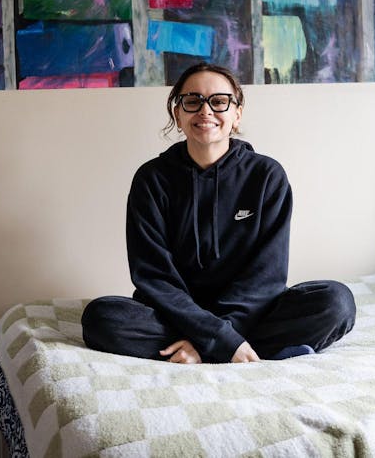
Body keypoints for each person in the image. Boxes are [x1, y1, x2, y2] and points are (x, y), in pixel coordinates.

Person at [81, 62, 356, 364]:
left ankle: (198, 351)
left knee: (336, 302)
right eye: (192, 100)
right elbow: (153, 276)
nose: (205, 110)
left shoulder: (266, 176)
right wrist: (215, 334)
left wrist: (219, 335)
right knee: (102, 317)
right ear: (177, 113)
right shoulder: (151, 179)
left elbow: (267, 276)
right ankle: (248, 349)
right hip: (176, 314)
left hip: (251, 312)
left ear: (237, 114)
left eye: (219, 101)